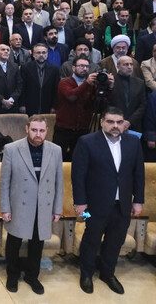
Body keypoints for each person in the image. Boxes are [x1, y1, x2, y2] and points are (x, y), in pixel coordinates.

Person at [72, 107, 145, 295]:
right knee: (91, 239)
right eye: (111, 122)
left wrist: (138, 201)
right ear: (102, 122)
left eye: (119, 122)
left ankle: (107, 273)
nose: (115, 126)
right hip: (92, 207)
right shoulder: (87, 142)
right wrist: (80, 203)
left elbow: (138, 174)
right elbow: (78, 176)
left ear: (124, 124)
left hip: (123, 206)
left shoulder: (133, 142)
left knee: (115, 241)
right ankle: (87, 274)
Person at [0, 115, 63, 294]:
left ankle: (32, 276)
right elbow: (5, 182)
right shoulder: (12, 149)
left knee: (37, 244)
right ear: (27, 129)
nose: (38, 134)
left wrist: (57, 209)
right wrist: (5, 208)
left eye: (42, 130)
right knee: (14, 242)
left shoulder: (55, 150)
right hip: (19, 205)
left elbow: (59, 182)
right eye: (34, 130)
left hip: (43, 205)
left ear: (46, 131)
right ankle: (12, 275)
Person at [19, 43, 60, 114]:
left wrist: (54, 106)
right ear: (34, 54)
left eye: (44, 52)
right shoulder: (25, 68)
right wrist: (22, 104)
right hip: (30, 105)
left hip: (47, 105)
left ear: (47, 54)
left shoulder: (54, 69)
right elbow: (21, 88)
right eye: (38, 52)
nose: (41, 55)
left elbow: (56, 90)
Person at [110, 56, 146, 132]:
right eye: (126, 64)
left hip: (134, 125)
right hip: (114, 123)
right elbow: (108, 104)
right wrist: (120, 120)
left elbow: (143, 105)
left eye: (131, 64)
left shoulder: (139, 83)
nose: (129, 67)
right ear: (118, 66)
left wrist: (130, 121)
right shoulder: (111, 81)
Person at [0, 44, 23, 115]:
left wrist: (11, 100)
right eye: (3, 50)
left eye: (8, 50)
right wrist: (3, 101)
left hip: (13, 105)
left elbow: (19, 85)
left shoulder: (15, 67)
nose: (6, 51)